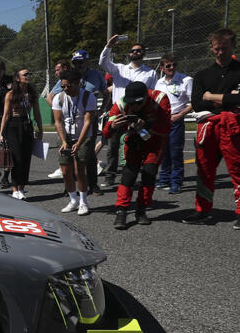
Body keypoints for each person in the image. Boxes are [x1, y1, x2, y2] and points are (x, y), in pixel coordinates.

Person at [182, 28, 240, 228]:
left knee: (237, 169)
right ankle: (203, 209)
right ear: (211, 48)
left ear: (233, 46)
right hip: (208, 128)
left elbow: (238, 99)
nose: (220, 52)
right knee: (204, 170)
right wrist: (226, 99)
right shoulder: (203, 74)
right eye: (216, 49)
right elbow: (197, 103)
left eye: (224, 48)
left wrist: (211, 96)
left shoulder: (238, 70)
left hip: (233, 128)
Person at [102, 82, 171, 229]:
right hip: (133, 140)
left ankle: (141, 210)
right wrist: (113, 126)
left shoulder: (160, 99)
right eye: (130, 104)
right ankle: (121, 211)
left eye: (137, 104)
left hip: (155, 141)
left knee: (149, 173)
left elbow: (166, 128)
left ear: (145, 98)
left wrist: (145, 124)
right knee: (128, 174)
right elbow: (106, 132)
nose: (133, 107)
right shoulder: (120, 104)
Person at [99, 36, 158, 186]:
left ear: (143, 53)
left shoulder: (150, 73)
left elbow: (154, 93)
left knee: (138, 144)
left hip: (139, 112)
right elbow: (102, 63)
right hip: (119, 112)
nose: (135, 52)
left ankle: (133, 174)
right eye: (132, 50)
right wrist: (109, 46)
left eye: (138, 50)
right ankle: (110, 176)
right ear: (129, 54)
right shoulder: (119, 69)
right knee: (112, 146)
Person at [52, 70, 96, 216]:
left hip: (83, 137)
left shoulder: (88, 97)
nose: (65, 89)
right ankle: (73, 200)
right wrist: (64, 141)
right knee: (65, 172)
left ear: (77, 83)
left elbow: (88, 121)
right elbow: (58, 122)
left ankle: (83, 202)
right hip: (66, 137)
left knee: (79, 171)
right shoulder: (58, 98)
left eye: (68, 86)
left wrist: (79, 142)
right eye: (63, 86)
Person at [0, 69, 43, 199]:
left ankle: (22, 188)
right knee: (16, 158)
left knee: (26, 159)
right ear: (17, 78)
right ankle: (15, 188)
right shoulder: (11, 94)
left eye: (29, 74)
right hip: (12, 126)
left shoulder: (32, 94)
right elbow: (6, 116)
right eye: (25, 75)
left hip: (27, 125)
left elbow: (37, 114)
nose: (28, 76)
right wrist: (1, 133)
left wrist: (40, 129)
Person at [153, 55, 193, 195]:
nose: (172, 68)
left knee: (175, 152)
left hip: (176, 120)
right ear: (162, 68)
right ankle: (164, 178)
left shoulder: (186, 80)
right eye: (168, 66)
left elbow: (193, 102)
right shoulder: (159, 82)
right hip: (161, 121)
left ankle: (176, 181)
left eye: (174, 65)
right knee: (163, 152)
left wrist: (181, 115)